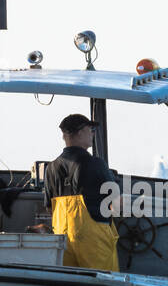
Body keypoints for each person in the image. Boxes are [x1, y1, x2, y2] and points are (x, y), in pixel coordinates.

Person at [44, 113, 119, 271]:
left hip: (63, 238)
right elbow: (115, 201)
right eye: (90, 129)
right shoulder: (95, 163)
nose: (92, 133)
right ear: (79, 132)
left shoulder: (51, 168)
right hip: (93, 239)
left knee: (68, 284)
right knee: (105, 283)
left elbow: (50, 208)